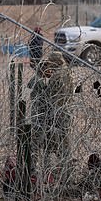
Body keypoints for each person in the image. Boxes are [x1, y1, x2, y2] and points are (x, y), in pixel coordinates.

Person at [29, 51, 74, 184]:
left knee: (54, 143)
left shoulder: (56, 77)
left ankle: (59, 171)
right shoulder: (66, 73)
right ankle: (61, 171)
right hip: (61, 113)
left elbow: (49, 98)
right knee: (59, 143)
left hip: (55, 115)